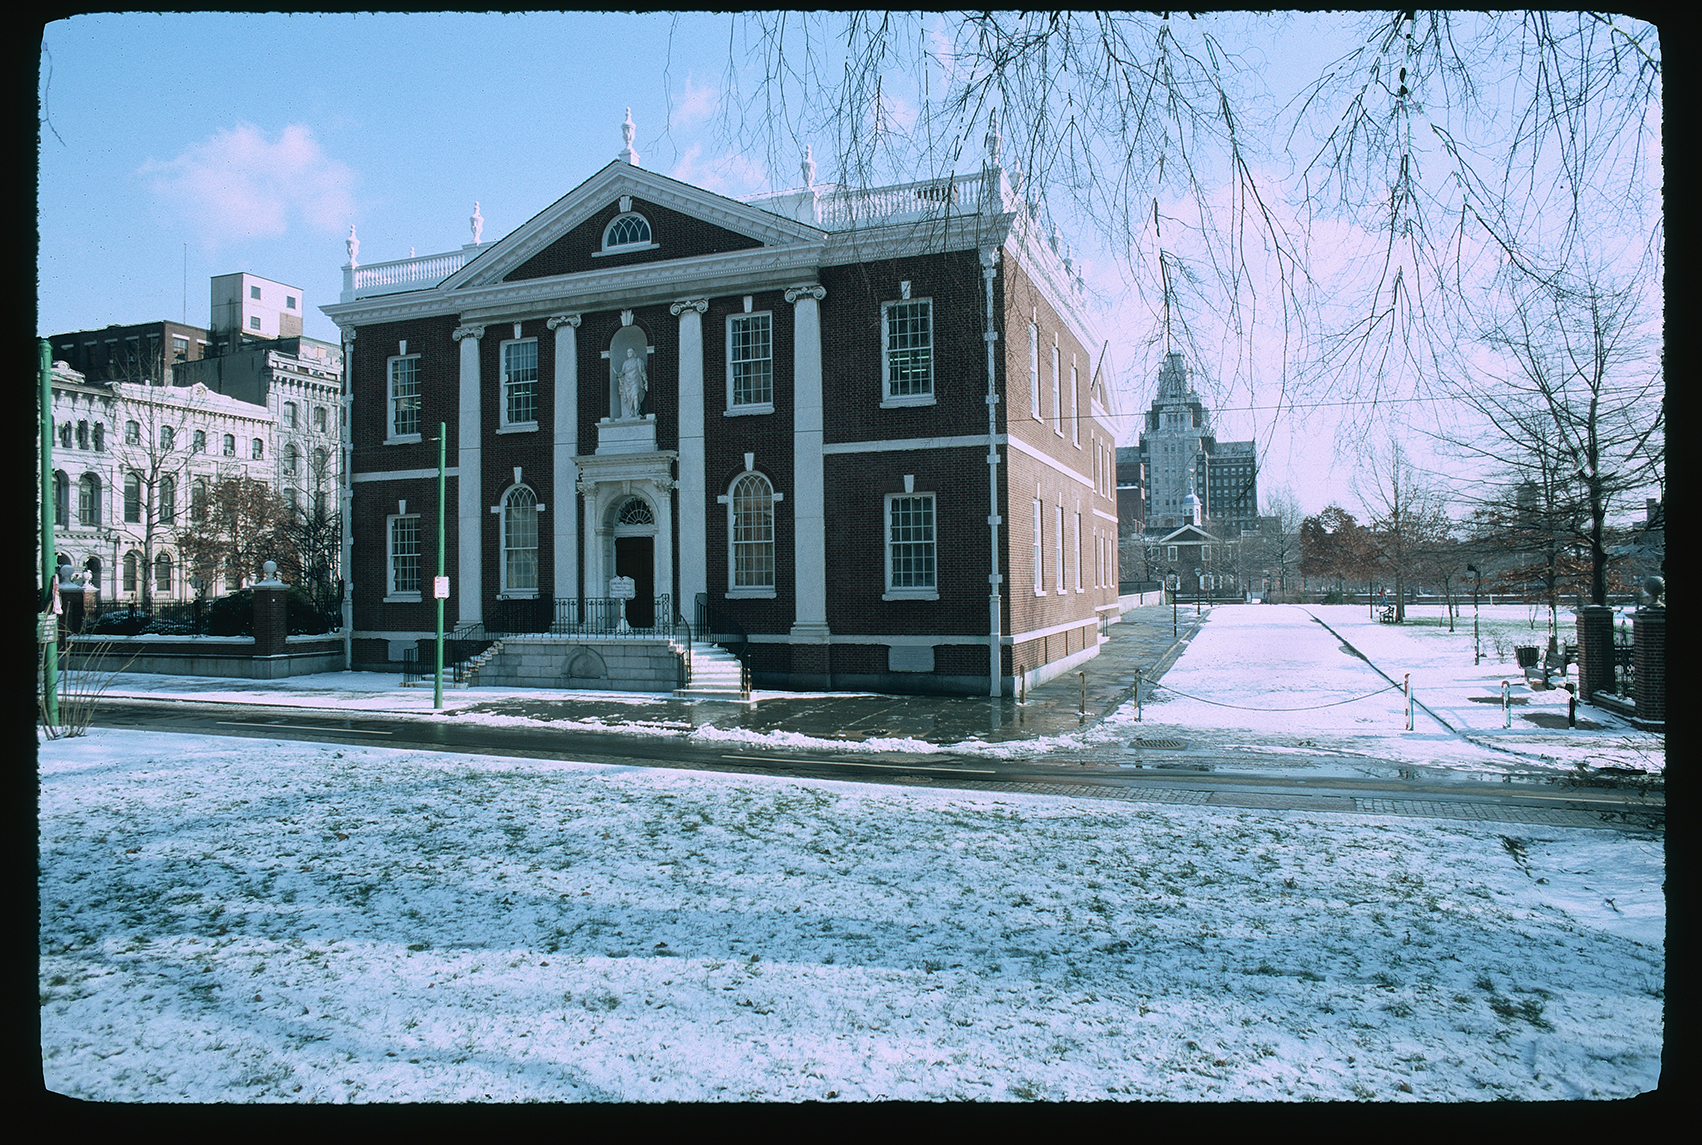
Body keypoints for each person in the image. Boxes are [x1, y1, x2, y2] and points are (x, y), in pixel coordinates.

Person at [618, 348, 647, 418]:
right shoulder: (625, 363)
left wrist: (645, 380)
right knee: (628, 397)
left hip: (636, 380)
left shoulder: (638, 361)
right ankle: (631, 411)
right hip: (627, 382)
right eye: (628, 352)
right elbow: (623, 372)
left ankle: (636, 411)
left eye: (630, 352)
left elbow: (642, 371)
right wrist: (619, 374)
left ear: (634, 353)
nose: (629, 353)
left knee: (635, 395)